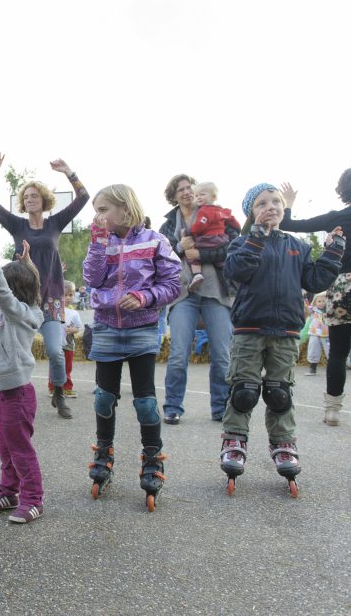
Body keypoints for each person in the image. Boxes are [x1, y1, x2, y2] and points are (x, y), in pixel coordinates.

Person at [219, 184, 344, 497]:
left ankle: (284, 443)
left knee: (279, 392)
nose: (270, 206)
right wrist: (256, 239)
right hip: (250, 327)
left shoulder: (297, 245)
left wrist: (332, 251)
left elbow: (314, 280)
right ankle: (234, 440)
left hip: (286, 329)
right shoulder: (241, 242)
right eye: (261, 203)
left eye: (276, 201)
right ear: (252, 212)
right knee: (244, 390)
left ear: (284, 207)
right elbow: (236, 272)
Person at [83, 185, 181, 511]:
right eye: (96, 209)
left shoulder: (155, 240)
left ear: (125, 209)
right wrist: (98, 244)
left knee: (146, 403)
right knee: (103, 396)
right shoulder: (101, 241)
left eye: (103, 209)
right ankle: (103, 451)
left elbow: (172, 284)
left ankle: (153, 456)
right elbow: (93, 280)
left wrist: (143, 297)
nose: (98, 216)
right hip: (107, 326)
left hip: (142, 328)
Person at [279, 168, 351, 434]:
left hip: (343, 285)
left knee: (337, 350)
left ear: (343, 190)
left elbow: (289, 225)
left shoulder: (336, 218)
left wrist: (289, 203)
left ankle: (332, 411)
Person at [0, 152, 90, 418]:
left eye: (34, 195)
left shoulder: (56, 223)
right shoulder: (16, 224)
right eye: (26, 196)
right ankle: (8, 394)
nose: (29, 199)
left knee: (56, 352)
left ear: (43, 200)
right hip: (22, 299)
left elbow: (84, 197)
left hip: (51, 298)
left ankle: (58, 394)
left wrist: (69, 172)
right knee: (13, 350)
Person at [0, 237, 45, 523]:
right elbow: (22, 287)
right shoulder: (11, 311)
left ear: (12, 289)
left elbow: (1, 291)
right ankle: (8, 491)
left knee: (19, 448)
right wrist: (28, 265)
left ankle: (33, 499)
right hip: (1, 390)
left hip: (17, 393)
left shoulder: (19, 313)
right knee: (5, 446)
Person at [159, 174, 238, 424]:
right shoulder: (169, 224)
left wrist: (201, 253)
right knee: (179, 353)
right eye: (180, 189)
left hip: (215, 290)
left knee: (222, 354)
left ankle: (220, 406)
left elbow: (233, 247)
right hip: (184, 293)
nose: (186, 192)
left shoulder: (217, 214)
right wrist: (182, 248)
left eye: (189, 187)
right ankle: (173, 406)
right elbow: (161, 254)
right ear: (174, 196)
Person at [185, 182, 240, 292]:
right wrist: (238, 228)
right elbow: (233, 221)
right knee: (222, 263)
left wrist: (190, 232)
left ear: (213, 197)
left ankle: (197, 274)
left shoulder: (204, 211)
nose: (198, 197)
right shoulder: (222, 211)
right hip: (222, 239)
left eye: (202, 194)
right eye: (196, 195)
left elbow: (201, 224)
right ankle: (230, 283)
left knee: (191, 252)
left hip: (208, 239)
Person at [48, 281, 82, 398]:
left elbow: (78, 328)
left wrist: (73, 330)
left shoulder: (74, 313)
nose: (68, 298)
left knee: (67, 367)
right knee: (55, 365)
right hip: (56, 344)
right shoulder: (54, 309)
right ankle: (52, 388)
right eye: (65, 295)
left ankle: (67, 388)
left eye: (70, 295)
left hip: (68, 344)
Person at [303, 291, 329, 376]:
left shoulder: (330, 311)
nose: (321, 303)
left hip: (326, 334)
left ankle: (332, 367)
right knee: (313, 350)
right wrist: (303, 298)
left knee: (329, 350)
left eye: (324, 301)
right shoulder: (313, 310)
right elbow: (306, 308)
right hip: (314, 333)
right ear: (315, 302)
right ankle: (312, 368)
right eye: (319, 301)